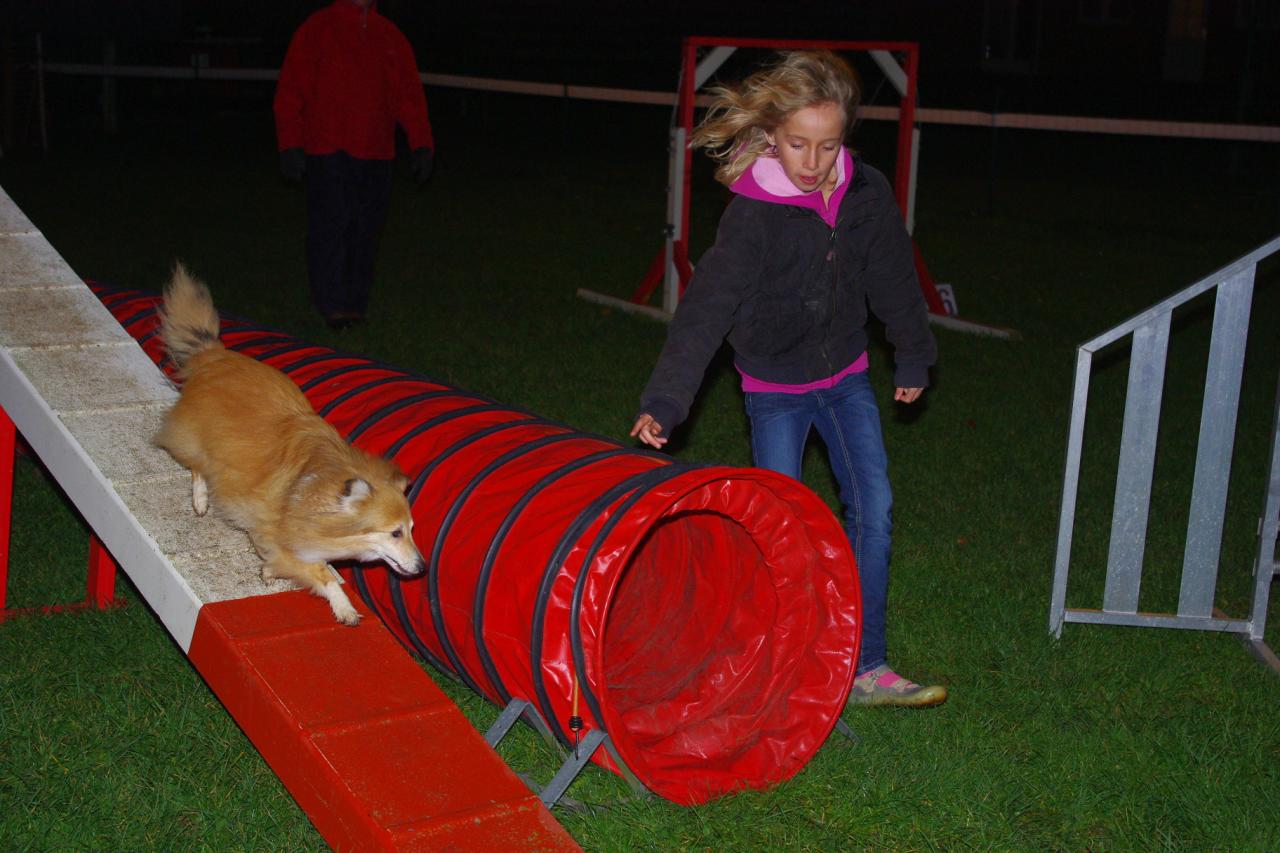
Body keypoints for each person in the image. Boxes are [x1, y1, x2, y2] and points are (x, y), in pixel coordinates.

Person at [631, 50, 946, 708]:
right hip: (774, 388)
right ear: (772, 134)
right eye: (799, 143)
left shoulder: (866, 194)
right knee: (781, 523)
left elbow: (892, 275)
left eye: (827, 145)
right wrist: (667, 399)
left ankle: (867, 665)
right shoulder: (753, 214)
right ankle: (778, 654)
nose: (813, 161)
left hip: (847, 376)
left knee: (875, 509)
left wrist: (913, 354)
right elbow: (706, 307)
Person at [273, 0, 434, 330]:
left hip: (377, 152)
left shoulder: (390, 36)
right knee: (332, 226)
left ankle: (355, 302)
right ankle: (333, 304)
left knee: (366, 229)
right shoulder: (317, 29)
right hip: (328, 148)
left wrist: (421, 143)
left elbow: (409, 94)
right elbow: (291, 89)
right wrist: (290, 143)